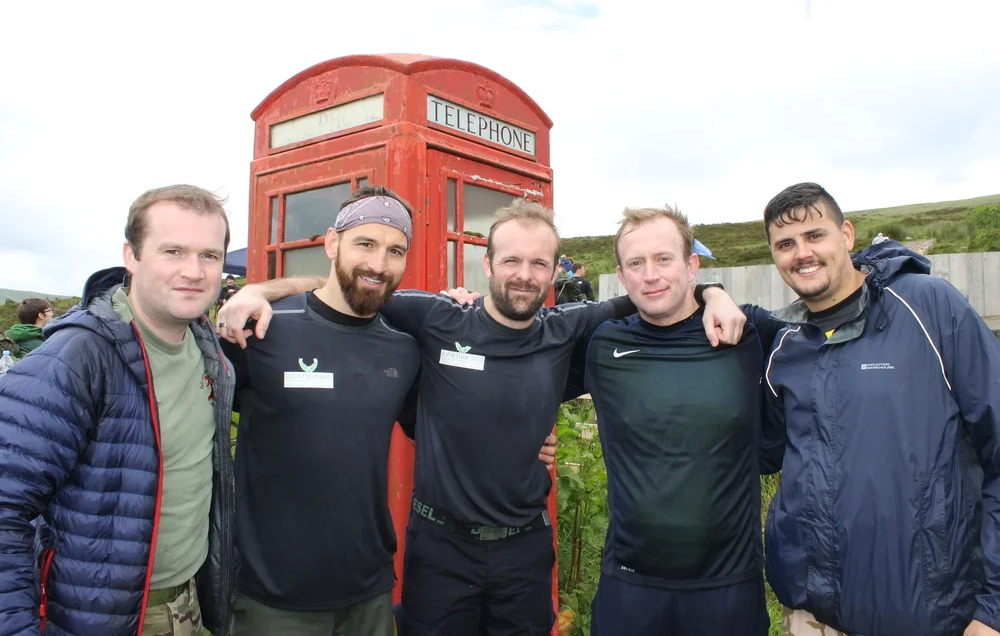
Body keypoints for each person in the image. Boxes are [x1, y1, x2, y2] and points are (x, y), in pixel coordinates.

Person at [217, 199, 745, 636]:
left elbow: (653, 291)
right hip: (439, 545)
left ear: (554, 274)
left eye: (539, 264)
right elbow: (356, 286)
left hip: (524, 548)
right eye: (511, 261)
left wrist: (713, 290)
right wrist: (259, 289)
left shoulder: (567, 329)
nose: (524, 275)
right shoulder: (436, 317)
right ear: (487, 265)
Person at [762, 183, 1000, 636]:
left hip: (931, 615)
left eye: (816, 235)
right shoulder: (786, 345)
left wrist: (993, 610)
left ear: (847, 235)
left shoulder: (928, 307)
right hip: (814, 615)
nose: (802, 254)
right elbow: (769, 453)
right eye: (786, 244)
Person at [0, 184, 236, 636]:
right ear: (131, 255)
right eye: (173, 251)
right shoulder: (74, 358)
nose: (193, 271)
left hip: (192, 603)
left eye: (209, 255)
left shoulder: (209, 350)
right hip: (102, 617)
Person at [567, 206, 783, 636]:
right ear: (622, 276)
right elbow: (516, 378)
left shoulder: (745, 333)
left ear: (691, 266)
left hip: (729, 586)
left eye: (664, 259)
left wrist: (714, 294)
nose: (651, 275)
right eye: (636, 263)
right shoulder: (602, 343)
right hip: (630, 584)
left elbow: (832, 350)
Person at [223, 186, 422, 635]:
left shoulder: (404, 347)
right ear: (332, 243)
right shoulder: (265, 330)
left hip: (369, 590)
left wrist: (529, 441)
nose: (378, 264)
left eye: (395, 250)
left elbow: (439, 429)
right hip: (273, 596)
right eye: (365, 244)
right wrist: (255, 292)